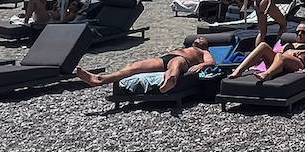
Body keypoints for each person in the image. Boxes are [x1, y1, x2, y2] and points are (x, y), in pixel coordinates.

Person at [77, 37, 214, 94]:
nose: (199, 38)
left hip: (183, 60)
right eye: (198, 38)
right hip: (164, 59)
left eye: (202, 39)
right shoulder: (184, 47)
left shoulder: (203, 51)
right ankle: (99, 79)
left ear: (206, 45)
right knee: (133, 66)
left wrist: (201, 65)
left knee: (175, 64)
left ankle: (170, 81)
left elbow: (211, 62)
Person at [227, 21, 305, 81]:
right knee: (263, 45)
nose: (299, 34)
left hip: (297, 63)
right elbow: (276, 53)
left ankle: (267, 74)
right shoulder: (287, 44)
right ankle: (238, 71)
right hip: (281, 60)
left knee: (280, 56)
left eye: (303, 32)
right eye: (297, 32)